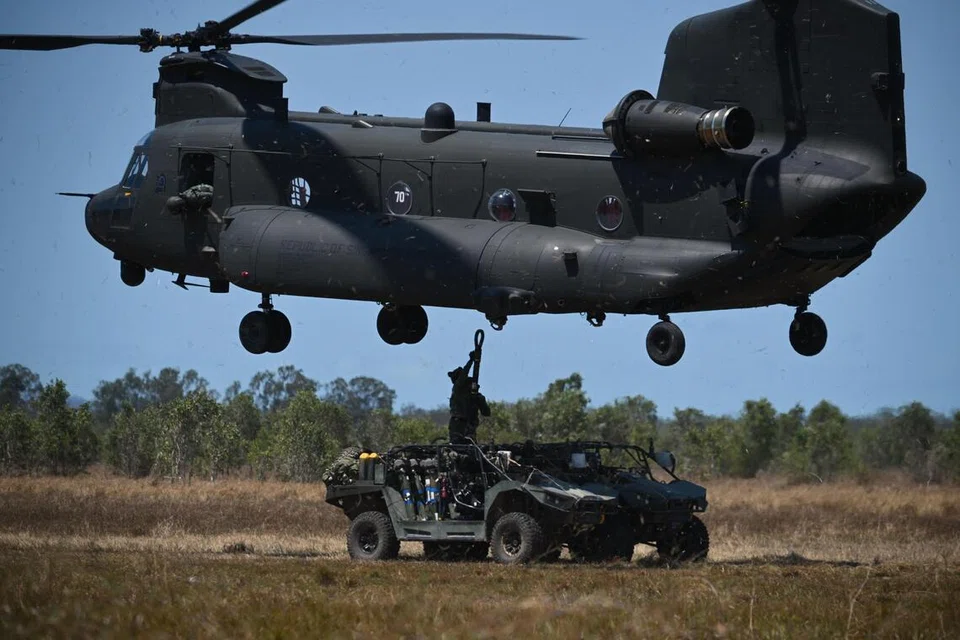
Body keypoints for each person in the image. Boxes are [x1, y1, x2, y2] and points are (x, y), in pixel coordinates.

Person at [447, 352, 490, 444]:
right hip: (458, 425)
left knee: (470, 449)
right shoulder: (457, 390)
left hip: (470, 426)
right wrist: (471, 361)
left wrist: (479, 400)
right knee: (457, 447)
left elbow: (486, 412)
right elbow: (463, 377)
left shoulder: (476, 396)